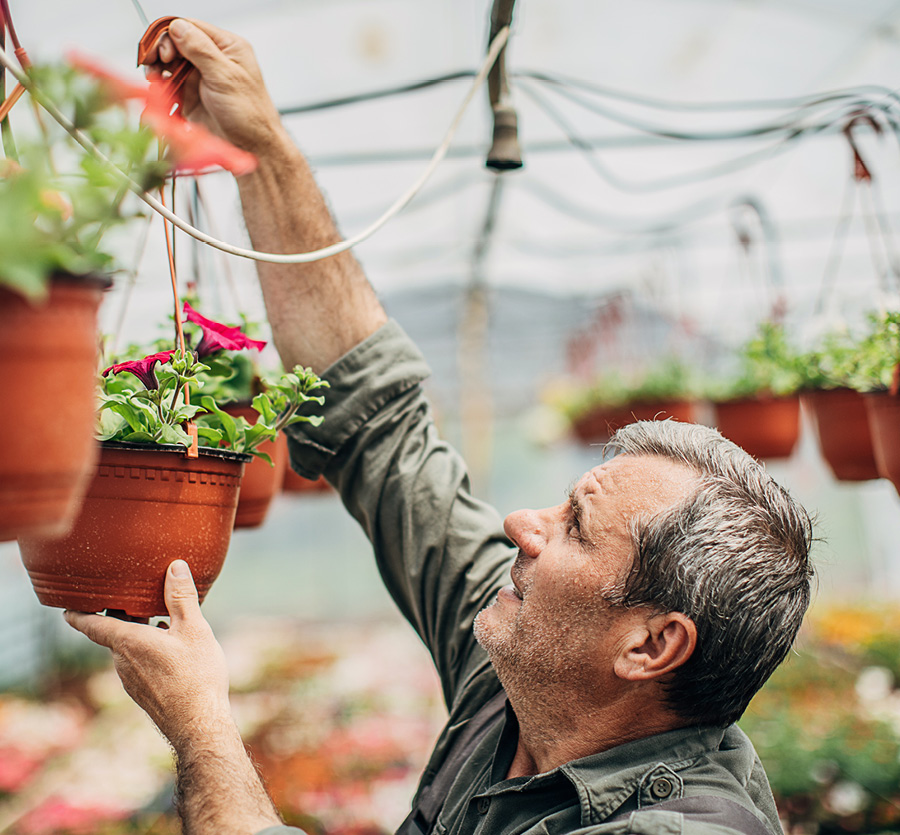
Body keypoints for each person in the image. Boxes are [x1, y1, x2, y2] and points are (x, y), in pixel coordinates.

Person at [65, 18, 815, 835]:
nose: (520, 525)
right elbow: (380, 424)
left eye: (574, 528)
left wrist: (201, 728)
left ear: (649, 644)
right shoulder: (530, 678)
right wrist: (262, 147)